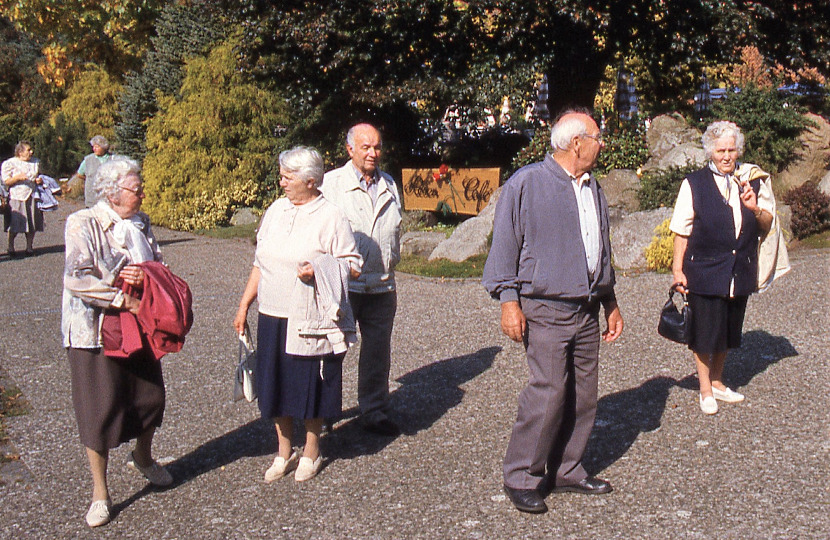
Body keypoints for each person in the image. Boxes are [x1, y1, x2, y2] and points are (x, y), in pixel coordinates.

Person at [482, 109, 624, 514]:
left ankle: (567, 469)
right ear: (576, 142)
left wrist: (610, 301)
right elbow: (504, 248)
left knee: (583, 394)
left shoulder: (592, 187)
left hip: (587, 308)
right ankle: (522, 476)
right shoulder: (526, 183)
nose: (602, 144)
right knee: (548, 392)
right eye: (598, 137)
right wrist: (509, 302)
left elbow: (601, 249)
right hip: (544, 307)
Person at [234, 146, 362, 483]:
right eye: (282, 175)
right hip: (272, 314)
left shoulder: (330, 216)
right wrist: (245, 303)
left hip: (310, 317)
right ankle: (283, 451)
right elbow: (260, 262)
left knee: (310, 384)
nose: (282, 182)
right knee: (273, 382)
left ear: (310, 180)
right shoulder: (276, 210)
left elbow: (354, 265)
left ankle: (312, 451)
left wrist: (318, 270)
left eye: (288, 177)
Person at [62, 157, 173, 528]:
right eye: (135, 188)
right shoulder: (83, 223)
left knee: (150, 398)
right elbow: (77, 277)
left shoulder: (141, 223)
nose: (142, 192)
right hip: (93, 332)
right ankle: (100, 494)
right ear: (111, 191)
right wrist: (121, 296)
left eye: (140, 187)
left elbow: (158, 263)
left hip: (138, 325)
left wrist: (146, 281)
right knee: (99, 411)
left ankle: (143, 457)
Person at [669, 121, 773, 415]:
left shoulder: (752, 180)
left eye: (731, 149)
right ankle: (704, 389)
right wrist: (678, 270)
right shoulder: (694, 183)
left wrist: (754, 208)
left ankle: (717, 381)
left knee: (729, 328)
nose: (727, 156)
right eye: (720, 151)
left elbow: (766, 225)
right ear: (710, 152)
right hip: (704, 267)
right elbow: (681, 230)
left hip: (739, 267)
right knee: (704, 331)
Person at [320, 123, 403, 436]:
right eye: (366, 147)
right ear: (350, 149)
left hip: (382, 284)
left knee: (377, 353)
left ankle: (374, 410)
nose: (373, 153)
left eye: (377, 147)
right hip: (344, 285)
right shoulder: (331, 185)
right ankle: (324, 411)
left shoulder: (389, 184)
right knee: (331, 349)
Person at [1, 141, 44, 257]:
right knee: (14, 223)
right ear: (20, 152)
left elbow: (39, 176)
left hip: (32, 195)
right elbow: (6, 181)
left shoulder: (35, 162)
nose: (31, 152)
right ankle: (10, 247)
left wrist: (39, 180)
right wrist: (17, 178)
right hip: (17, 196)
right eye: (28, 150)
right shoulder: (10, 163)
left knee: (32, 223)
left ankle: (29, 247)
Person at [75, 135, 113, 207]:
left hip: (108, 196)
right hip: (92, 197)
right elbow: (79, 174)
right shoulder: (88, 159)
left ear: (103, 147)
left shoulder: (112, 158)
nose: (94, 149)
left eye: (97, 147)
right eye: (93, 147)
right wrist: (90, 179)